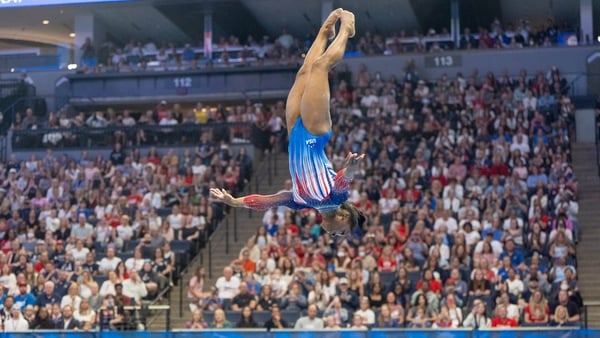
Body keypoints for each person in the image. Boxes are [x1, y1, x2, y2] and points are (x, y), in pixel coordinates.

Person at [210, 9, 365, 238]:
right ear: (344, 217)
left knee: (304, 73)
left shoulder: (300, 202)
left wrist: (235, 201)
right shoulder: (338, 198)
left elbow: (269, 201)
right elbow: (343, 179)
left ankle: (324, 33)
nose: (336, 235)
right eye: (341, 233)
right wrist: (351, 168)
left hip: (295, 133)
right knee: (321, 67)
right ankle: (346, 32)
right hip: (314, 132)